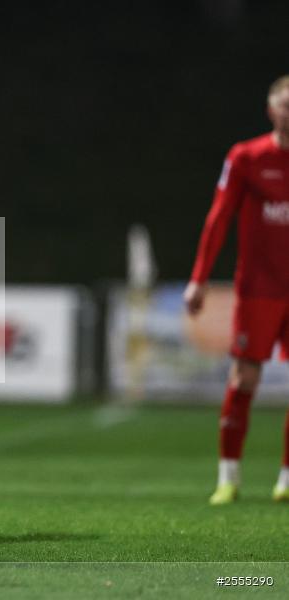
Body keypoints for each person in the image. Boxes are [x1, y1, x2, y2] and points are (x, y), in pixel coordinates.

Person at [184, 75, 289, 505]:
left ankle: (287, 479)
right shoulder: (246, 157)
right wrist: (199, 277)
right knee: (244, 377)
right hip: (258, 288)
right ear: (271, 110)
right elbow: (219, 216)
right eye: (285, 104)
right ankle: (228, 477)